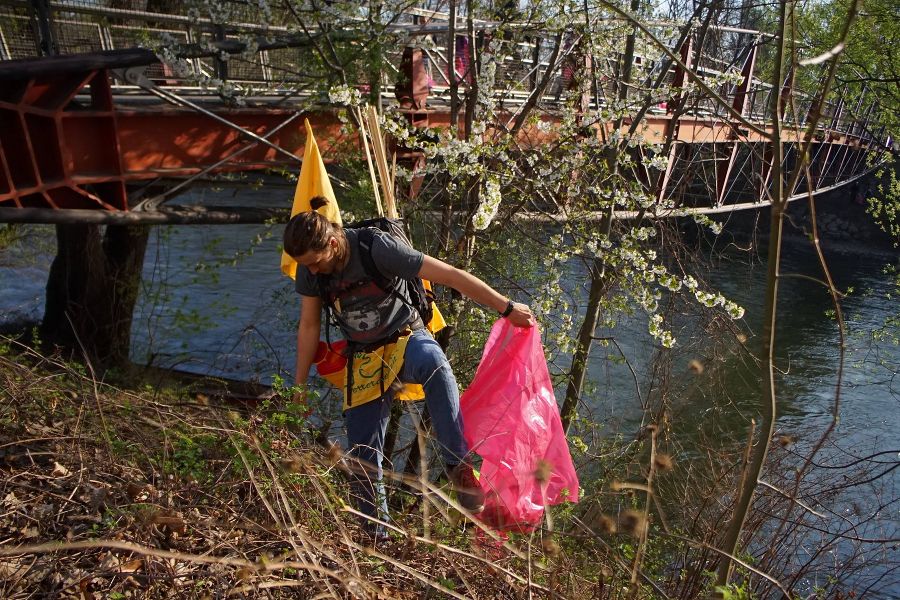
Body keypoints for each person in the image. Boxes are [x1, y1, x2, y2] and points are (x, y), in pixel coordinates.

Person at [284, 197, 533, 534]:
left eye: (315, 263)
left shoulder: (377, 249)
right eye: (306, 266)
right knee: (362, 455)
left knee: (434, 363)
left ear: (332, 242)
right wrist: (298, 389)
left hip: (405, 339)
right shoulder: (310, 269)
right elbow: (309, 326)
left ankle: (458, 468)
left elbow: (451, 275)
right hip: (365, 356)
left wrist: (506, 308)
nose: (312, 271)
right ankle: (377, 537)